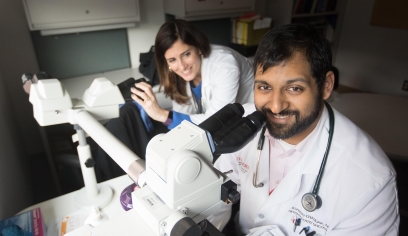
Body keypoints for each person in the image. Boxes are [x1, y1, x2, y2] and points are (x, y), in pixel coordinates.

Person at [208, 23, 399, 235]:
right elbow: (216, 190)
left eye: (294, 88)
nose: (275, 106)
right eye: (264, 87)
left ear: (326, 85)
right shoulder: (242, 124)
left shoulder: (370, 180)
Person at [93, 19, 255, 180]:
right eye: (172, 60)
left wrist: (163, 115)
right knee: (125, 116)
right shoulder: (178, 74)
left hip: (238, 130)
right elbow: (181, 117)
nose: (182, 66)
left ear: (198, 48)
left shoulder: (224, 64)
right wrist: (156, 112)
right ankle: (110, 178)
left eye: (186, 54)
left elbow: (217, 121)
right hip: (205, 128)